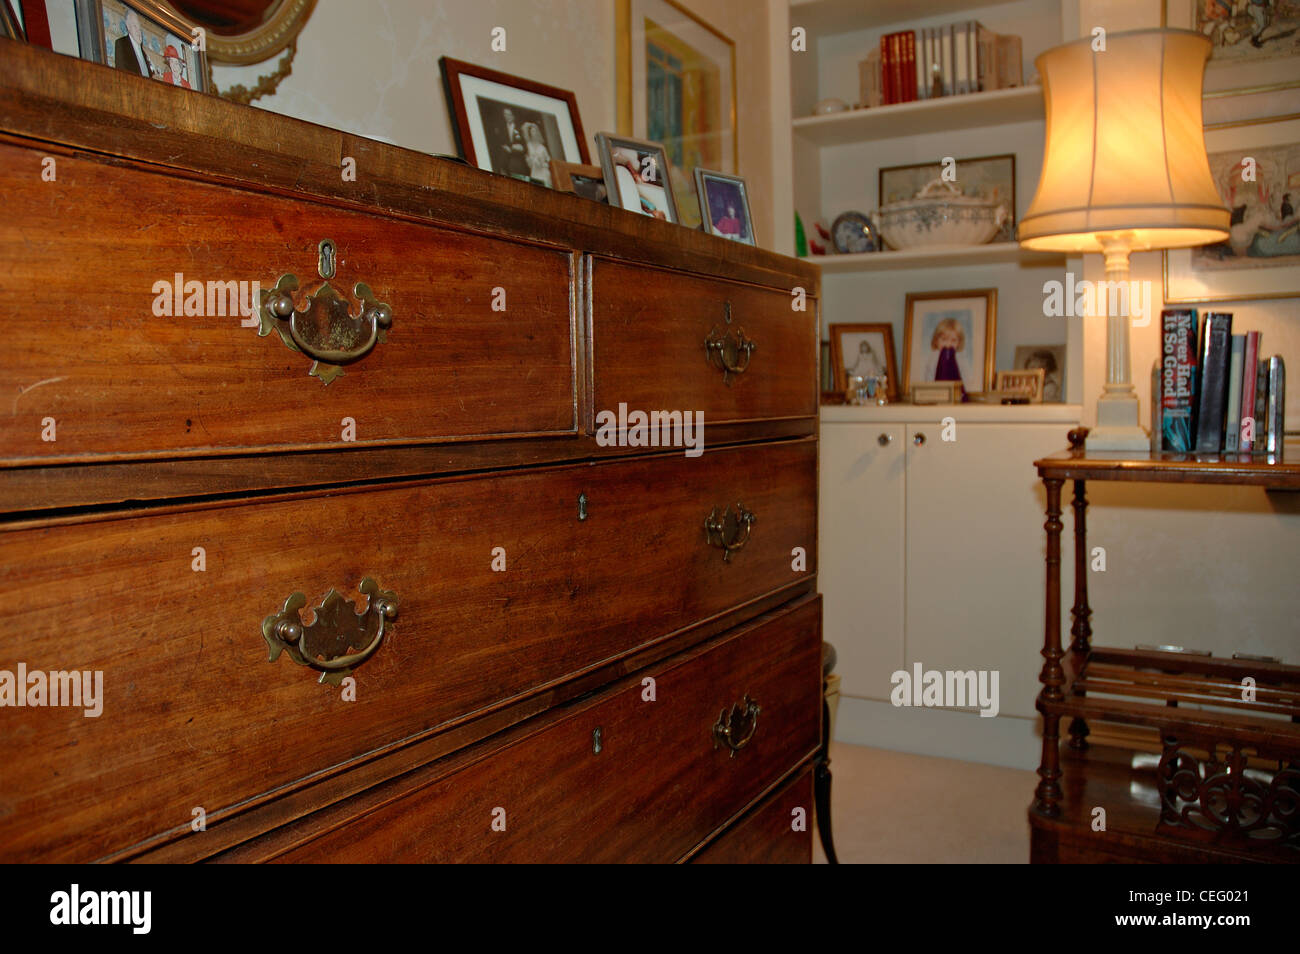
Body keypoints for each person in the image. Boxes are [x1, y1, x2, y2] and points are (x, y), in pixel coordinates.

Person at [921, 318, 974, 395]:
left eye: (953, 340)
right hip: (937, 394)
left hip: (956, 394)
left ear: (959, 342)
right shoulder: (933, 358)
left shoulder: (961, 358)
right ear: (936, 340)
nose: (948, 344)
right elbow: (928, 377)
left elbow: (966, 378)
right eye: (944, 339)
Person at [114, 10, 156, 79]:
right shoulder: (121, 44)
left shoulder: (144, 53)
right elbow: (121, 74)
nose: (138, 30)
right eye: (134, 26)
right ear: (128, 27)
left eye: (139, 27)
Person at [494, 108, 529, 178]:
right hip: (505, 160)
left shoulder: (520, 127)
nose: (507, 116)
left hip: (518, 160)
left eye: (509, 114)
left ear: (513, 115)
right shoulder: (501, 128)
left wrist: (515, 149)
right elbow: (499, 143)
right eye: (505, 114)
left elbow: (525, 146)